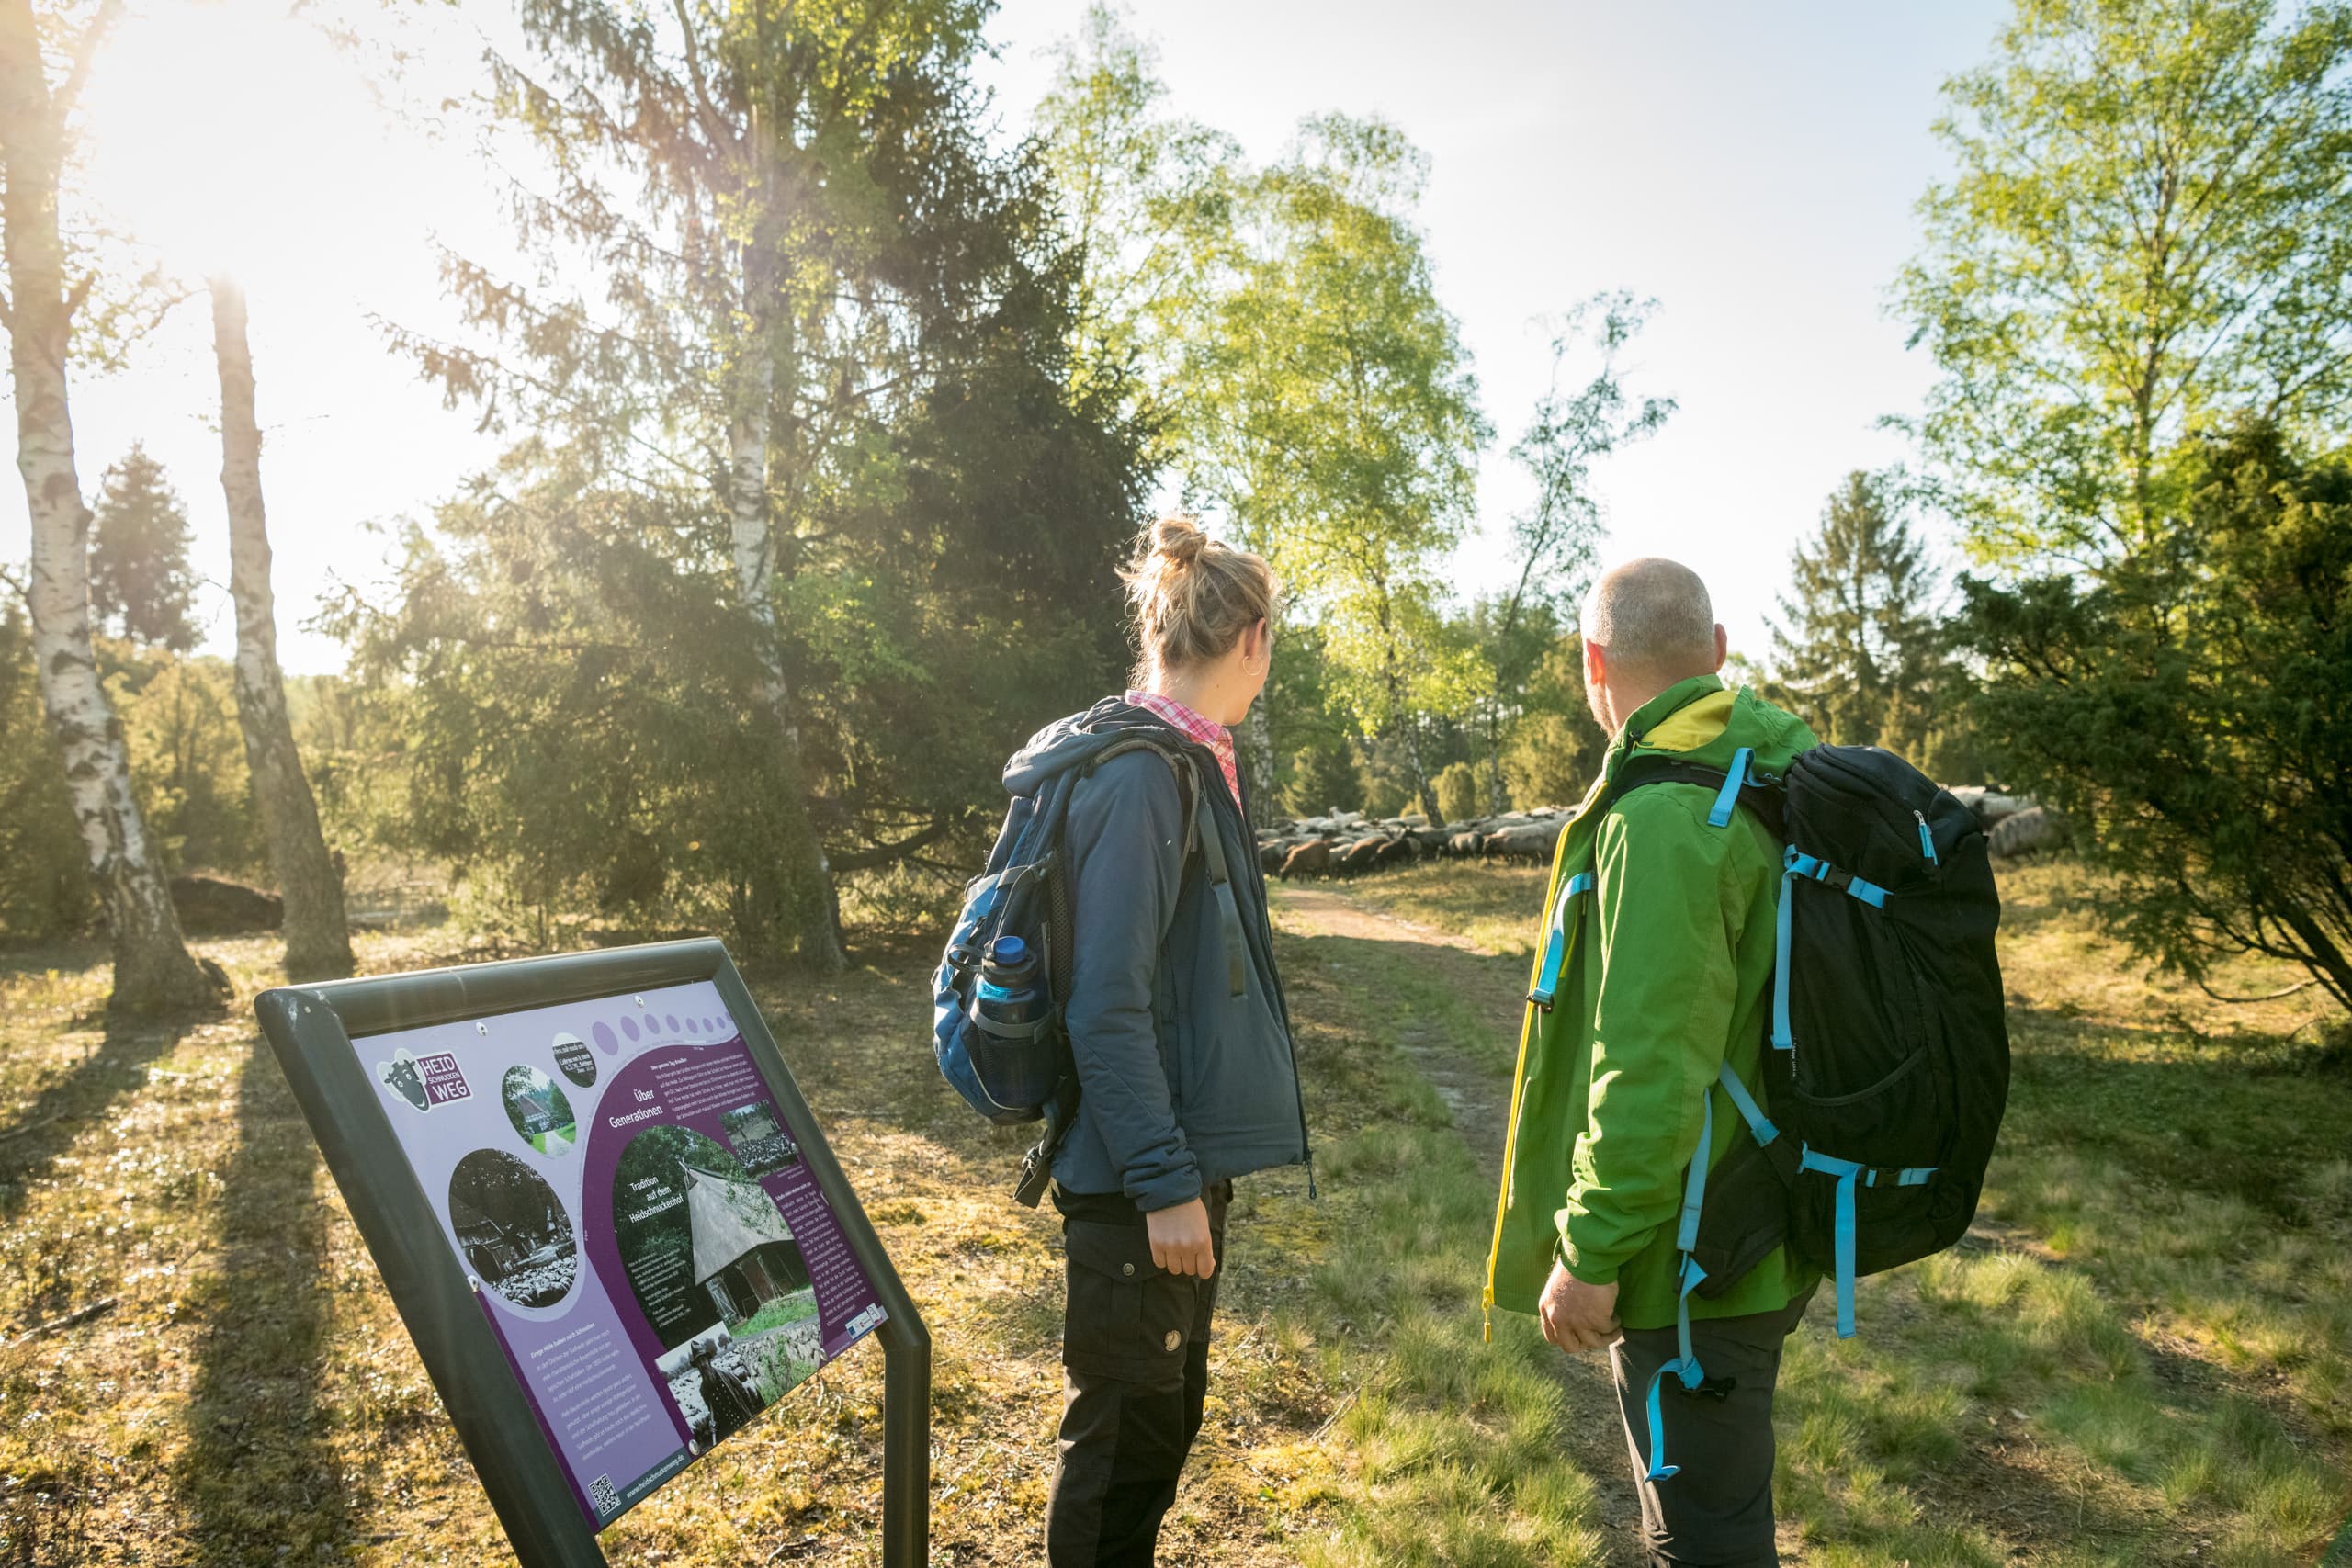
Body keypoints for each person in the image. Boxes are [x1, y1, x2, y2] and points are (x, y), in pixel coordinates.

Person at [1484, 558, 1821, 1567]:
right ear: (1715, 655)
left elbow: (1650, 1065)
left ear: (1593, 663)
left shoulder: (1664, 818)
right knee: (1717, 1523)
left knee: (1703, 1545)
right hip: (1760, 1215)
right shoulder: (1756, 773)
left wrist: (1589, 1251)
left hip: (1694, 1252)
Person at [1010, 516, 1311, 1566]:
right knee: (1122, 1449)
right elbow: (1105, 1003)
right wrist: (1164, 1182)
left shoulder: (1190, 762)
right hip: (1138, 1177)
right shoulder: (1144, 776)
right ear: (1252, 639)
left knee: (1160, 1428)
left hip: (1171, 1165)